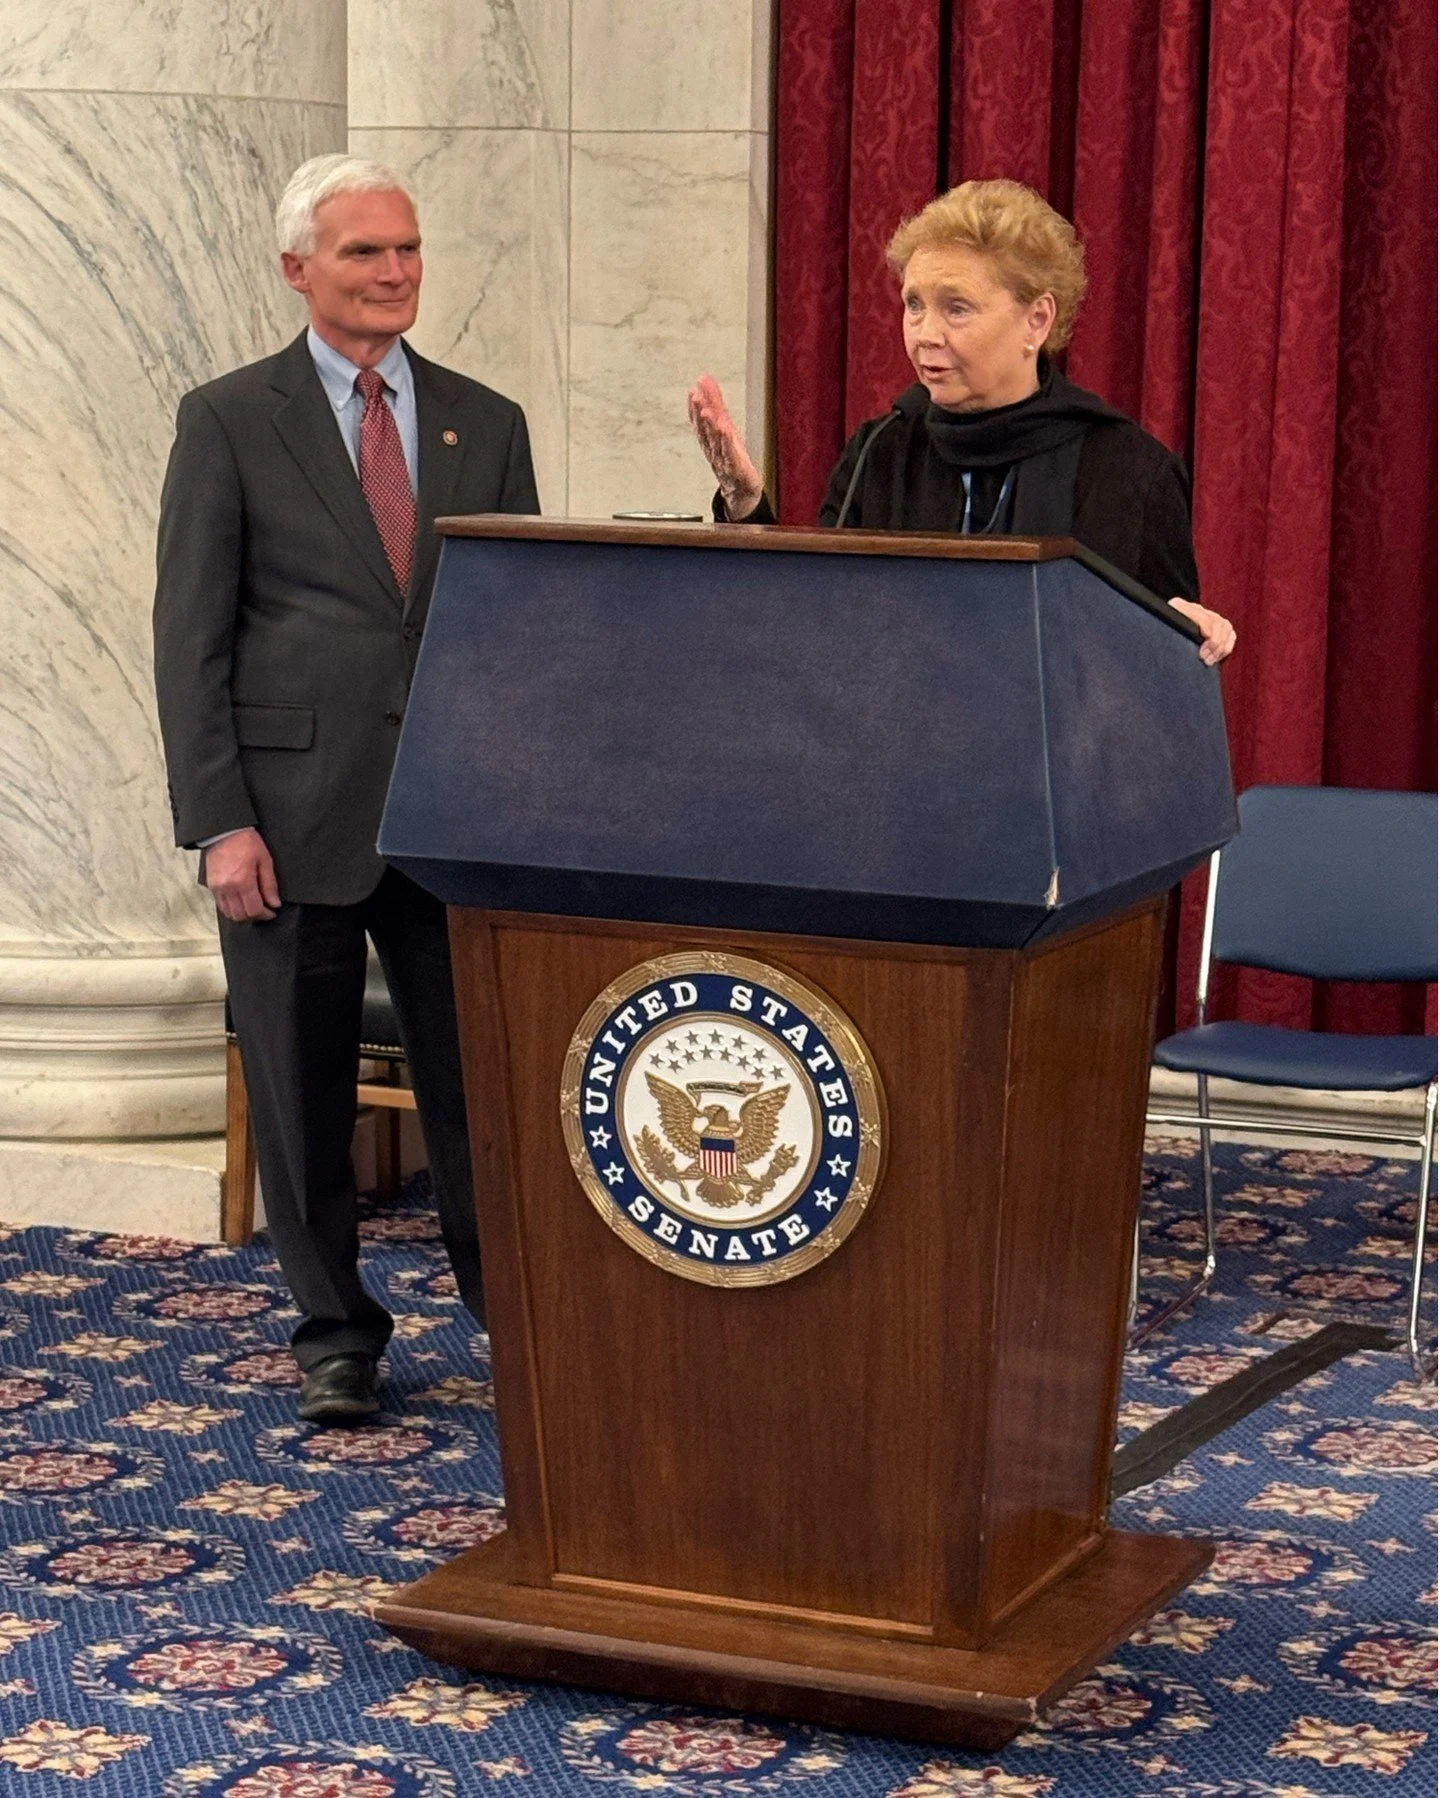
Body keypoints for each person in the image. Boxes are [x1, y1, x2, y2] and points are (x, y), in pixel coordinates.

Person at [153, 154, 539, 1424]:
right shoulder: (227, 418)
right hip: (285, 818)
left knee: (483, 1092)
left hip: (451, 820)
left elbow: (517, 621)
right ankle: (337, 1334)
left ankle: (516, 1319)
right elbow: (190, 634)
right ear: (297, 270)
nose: (394, 273)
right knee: (301, 1091)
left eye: (408, 250)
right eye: (366, 252)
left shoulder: (485, 422)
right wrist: (218, 820)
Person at [688, 178, 1236, 665]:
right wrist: (745, 506)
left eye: (957, 308)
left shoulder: (1128, 472)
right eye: (914, 304)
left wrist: (1187, 637)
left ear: (1037, 320)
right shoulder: (882, 450)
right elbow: (814, 622)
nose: (925, 333)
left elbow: (1165, 655)